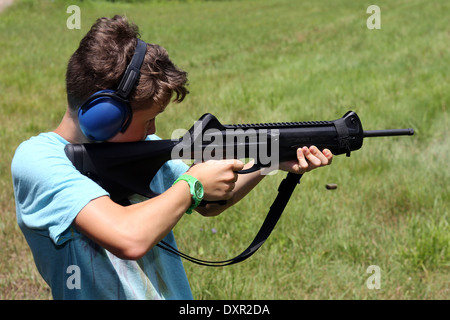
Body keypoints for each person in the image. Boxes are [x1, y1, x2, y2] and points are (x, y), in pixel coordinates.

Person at [11, 15, 333, 300]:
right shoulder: (37, 162)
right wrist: (192, 183)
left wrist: (271, 160)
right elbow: (129, 237)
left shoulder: (141, 148)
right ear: (104, 117)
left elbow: (209, 200)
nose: (154, 129)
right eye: (148, 119)